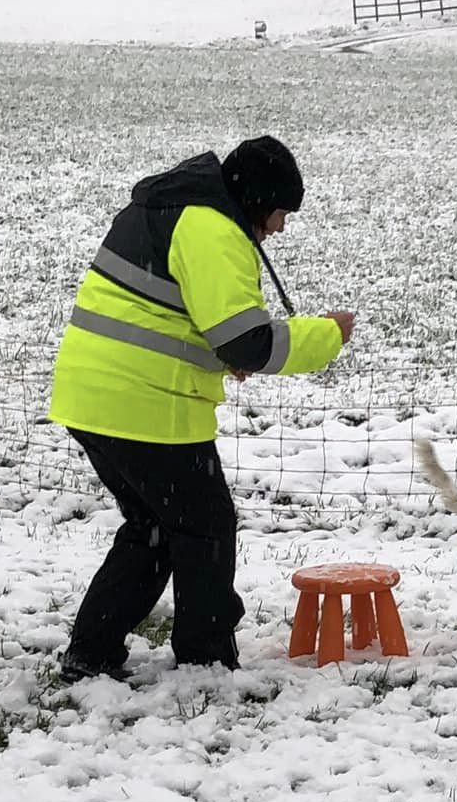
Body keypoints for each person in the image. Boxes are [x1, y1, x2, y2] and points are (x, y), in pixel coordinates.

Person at [48, 136, 354, 678]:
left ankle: (91, 651)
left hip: (91, 395)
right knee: (206, 527)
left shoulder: (174, 208)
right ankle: (205, 658)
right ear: (259, 200)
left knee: (156, 527)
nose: (280, 228)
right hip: (145, 406)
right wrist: (327, 335)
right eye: (281, 213)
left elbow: (168, 314)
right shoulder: (211, 228)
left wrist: (219, 353)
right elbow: (246, 342)